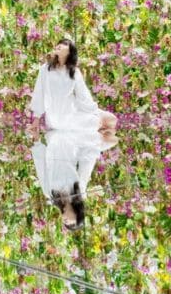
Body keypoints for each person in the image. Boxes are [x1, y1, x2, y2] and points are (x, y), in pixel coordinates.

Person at [28, 39, 118, 230]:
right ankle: (99, 126)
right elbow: (39, 92)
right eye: (71, 222)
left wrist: (94, 112)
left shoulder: (50, 195)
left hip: (72, 117)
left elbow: (84, 97)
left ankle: (99, 123)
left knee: (111, 122)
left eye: (64, 44)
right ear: (77, 216)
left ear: (70, 52)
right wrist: (36, 119)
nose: (66, 221)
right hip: (56, 119)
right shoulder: (46, 69)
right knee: (108, 124)